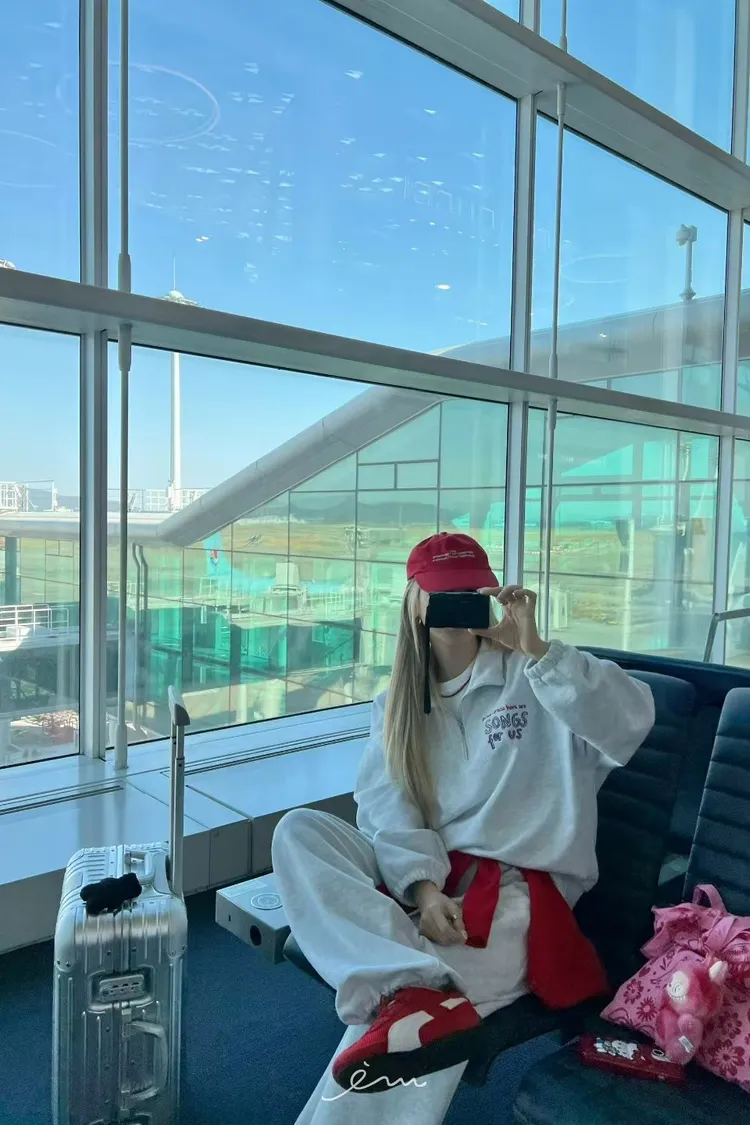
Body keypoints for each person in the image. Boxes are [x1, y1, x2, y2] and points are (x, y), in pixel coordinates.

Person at [272, 532, 655, 1124]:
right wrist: (423, 890)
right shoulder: (397, 703)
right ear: (414, 604)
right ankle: (417, 985)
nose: (458, 604)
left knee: (405, 1036)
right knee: (300, 832)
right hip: (431, 878)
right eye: (443, 592)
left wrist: (540, 650)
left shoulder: (541, 678)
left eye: (471, 592)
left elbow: (632, 719)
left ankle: (415, 993)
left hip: (518, 894)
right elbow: (387, 807)